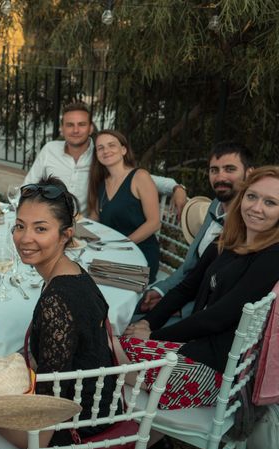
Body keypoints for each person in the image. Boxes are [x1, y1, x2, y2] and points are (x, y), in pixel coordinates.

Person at [0, 178, 116, 449]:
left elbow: (51, 400)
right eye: (20, 226)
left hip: (70, 432)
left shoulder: (58, 302)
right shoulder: (75, 273)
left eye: (41, 229)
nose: (25, 238)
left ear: (66, 235)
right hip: (94, 405)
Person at [119, 166, 279, 409]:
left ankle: (105, 429)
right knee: (108, 342)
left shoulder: (272, 257)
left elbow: (219, 317)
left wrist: (153, 337)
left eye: (270, 202)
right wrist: (149, 322)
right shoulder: (227, 241)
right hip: (195, 349)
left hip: (215, 372)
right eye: (252, 196)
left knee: (105, 352)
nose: (256, 208)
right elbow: (187, 287)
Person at [140, 141, 254, 316]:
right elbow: (191, 266)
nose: (220, 177)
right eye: (214, 170)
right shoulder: (214, 206)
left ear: (249, 173)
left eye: (230, 169)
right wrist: (162, 291)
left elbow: (229, 297)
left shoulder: (252, 224)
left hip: (202, 316)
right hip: (183, 295)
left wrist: (177, 310)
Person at [23, 102, 187, 215]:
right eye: (70, 125)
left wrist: (175, 187)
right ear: (62, 128)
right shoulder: (49, 149)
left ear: (90, 128)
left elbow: (135, 177)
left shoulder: (101, 155)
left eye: (81, 124)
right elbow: (28, 187)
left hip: (83, 229)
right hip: (47, 222)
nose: (75, 130)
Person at [87, 130, 161, 282]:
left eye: (111, 145)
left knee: (90, 277)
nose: (106, 151)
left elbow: (154, 223)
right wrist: (74, 230)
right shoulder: (101, 182)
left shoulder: (140, 177)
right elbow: (94, 218)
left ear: (123, 150)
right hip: (110, 252)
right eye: (100, 148)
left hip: (140, 254)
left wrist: (122, 245)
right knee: (74, 266)